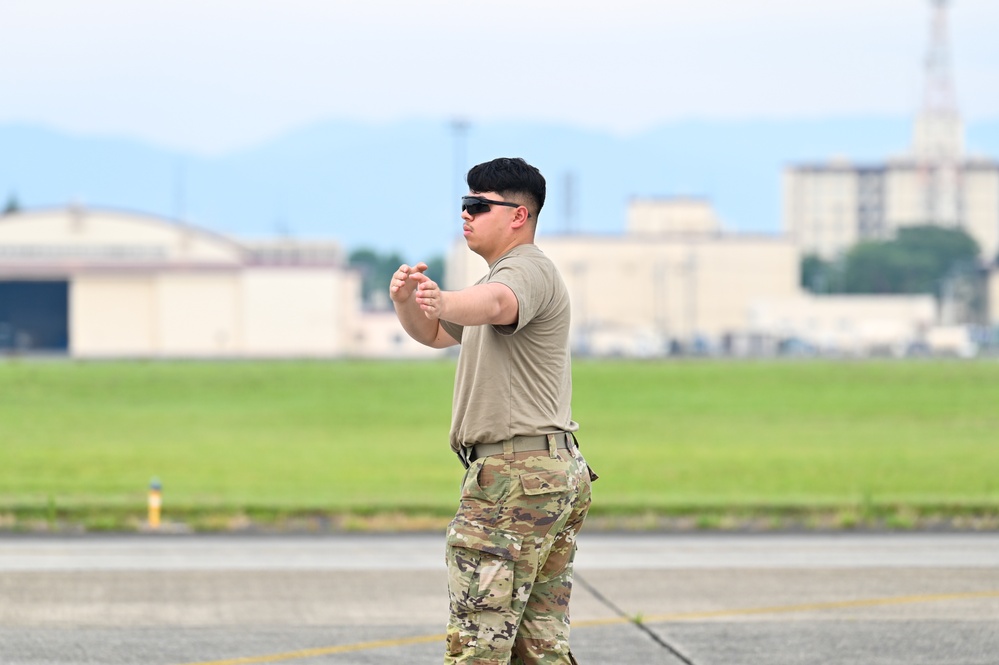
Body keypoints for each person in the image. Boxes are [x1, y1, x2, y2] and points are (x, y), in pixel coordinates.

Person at [389, 157, 595, 664]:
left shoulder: (525, 271)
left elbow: (498, 306)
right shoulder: (499, 276)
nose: (466, 215)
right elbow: (437, 334)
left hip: (515, 478)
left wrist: (443, 298)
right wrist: (409, 305)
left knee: (477, 645)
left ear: (518, 216)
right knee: (537, 648)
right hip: (543, 471)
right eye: (465, 204)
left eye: (478, 206)